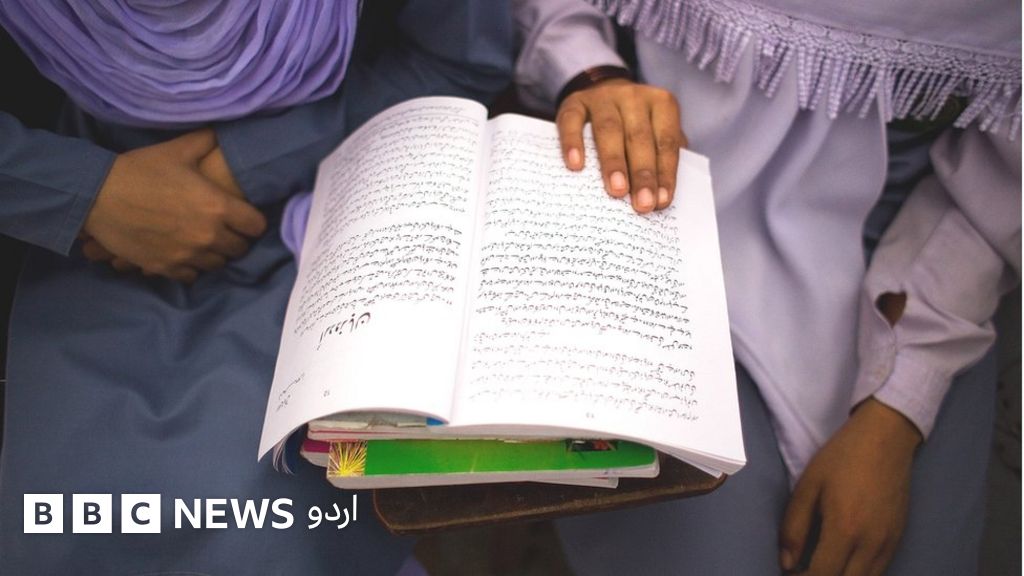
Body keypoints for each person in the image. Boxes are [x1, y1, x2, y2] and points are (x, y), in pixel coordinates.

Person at [0, 1, 512, 573]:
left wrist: (245, 164)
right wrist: (86, 190)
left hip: (337, 187)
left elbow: (458, 60)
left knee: (275, 513)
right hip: (92, 230)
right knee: (71, 519)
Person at [511, 1, 1020, 574]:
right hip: (652, 195)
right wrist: (591, 73)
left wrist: (901, 406)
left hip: (921, 252)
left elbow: (1005, 170)